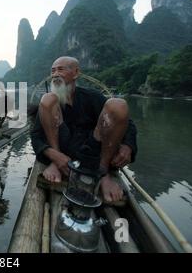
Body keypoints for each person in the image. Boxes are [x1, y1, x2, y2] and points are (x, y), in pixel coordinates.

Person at [31, 56, 137, 203]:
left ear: (75, 73)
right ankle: (55, 164)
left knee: (118, 105)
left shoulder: (92, 97)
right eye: (53, 71)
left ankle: (103, 173)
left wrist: (128, 145)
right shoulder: (49, 103)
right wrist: (55, 156)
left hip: (93, 151)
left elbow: (127, 123)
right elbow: (36, 135)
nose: (55, 74)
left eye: (60, 69)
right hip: (63, 151)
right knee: (47, 99)